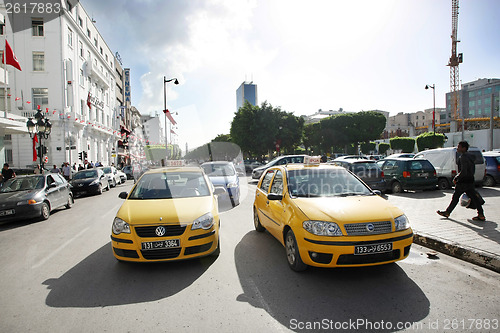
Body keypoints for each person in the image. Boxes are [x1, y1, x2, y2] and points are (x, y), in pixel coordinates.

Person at [437, 141, 485, 221]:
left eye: (459, 147)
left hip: (463, 182)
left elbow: (464, 171)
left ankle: (447, 212)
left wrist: (456, 178)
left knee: (455, 197)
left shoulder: (463, 157)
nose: (457, 148)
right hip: (470, 180)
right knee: (474, 198)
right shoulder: (470, 157)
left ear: (464, 148)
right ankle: (481, 214)